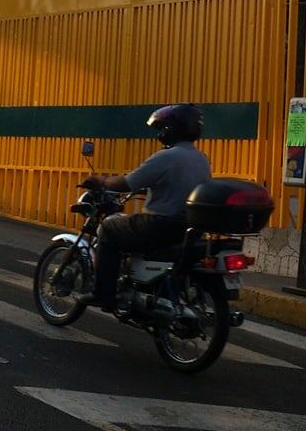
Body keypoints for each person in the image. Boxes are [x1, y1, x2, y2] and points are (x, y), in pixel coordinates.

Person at [77, 103, 211, 310]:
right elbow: (179, 185)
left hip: (161, 225)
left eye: (162, 127)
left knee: (109, 229)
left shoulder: (166, 156)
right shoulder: (201, 159)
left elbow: (127, 183)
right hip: (187, 227)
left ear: (170, 129)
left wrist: (102, 182)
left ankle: (104, 294)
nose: (160, 132)